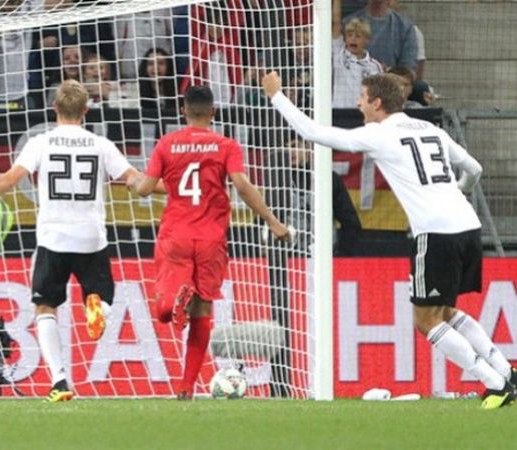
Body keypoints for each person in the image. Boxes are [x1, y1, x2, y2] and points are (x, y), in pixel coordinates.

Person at [261, 70, 516, 409]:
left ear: (377, 103)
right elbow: (475, 169)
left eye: (362, 97)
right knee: (447, 311)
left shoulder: (379, 134)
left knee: (426, 321)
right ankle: (506, 373)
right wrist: (457, 191)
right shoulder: (431, 129)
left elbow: (314, 133)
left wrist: (276, 96)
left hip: (435, 232)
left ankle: (495, 383)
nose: (357, 103)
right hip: (468, 226)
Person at [0, 80, 146, 402]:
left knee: (45, 307)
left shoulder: (40, 142)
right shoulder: (101, 144)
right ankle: (97, 305)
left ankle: (60, 380)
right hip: (91, 237)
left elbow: (8, 180)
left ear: (54, 109)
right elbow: (135, 180)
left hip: (53, 238)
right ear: (86, 111)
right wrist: (181, 189)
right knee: (103, 296)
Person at [128, 86, 290, 400]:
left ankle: (174, 302)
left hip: (176, 234)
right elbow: (241, 185)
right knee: (202, 311)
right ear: (213, 113)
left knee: (164, 308)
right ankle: (186, 387)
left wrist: (136, 182)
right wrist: (272, 221)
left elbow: (146, 189)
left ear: (183, 111)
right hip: (210, 238)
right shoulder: (226, 145)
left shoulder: (167, 143)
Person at [332, 0, 383, 108]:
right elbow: (336, 22)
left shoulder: (375, 66)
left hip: (363, 115)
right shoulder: (339, 54)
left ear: (367, 40)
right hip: (339, 114)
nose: (353, 39)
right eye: (350, 35)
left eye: (358, 36)